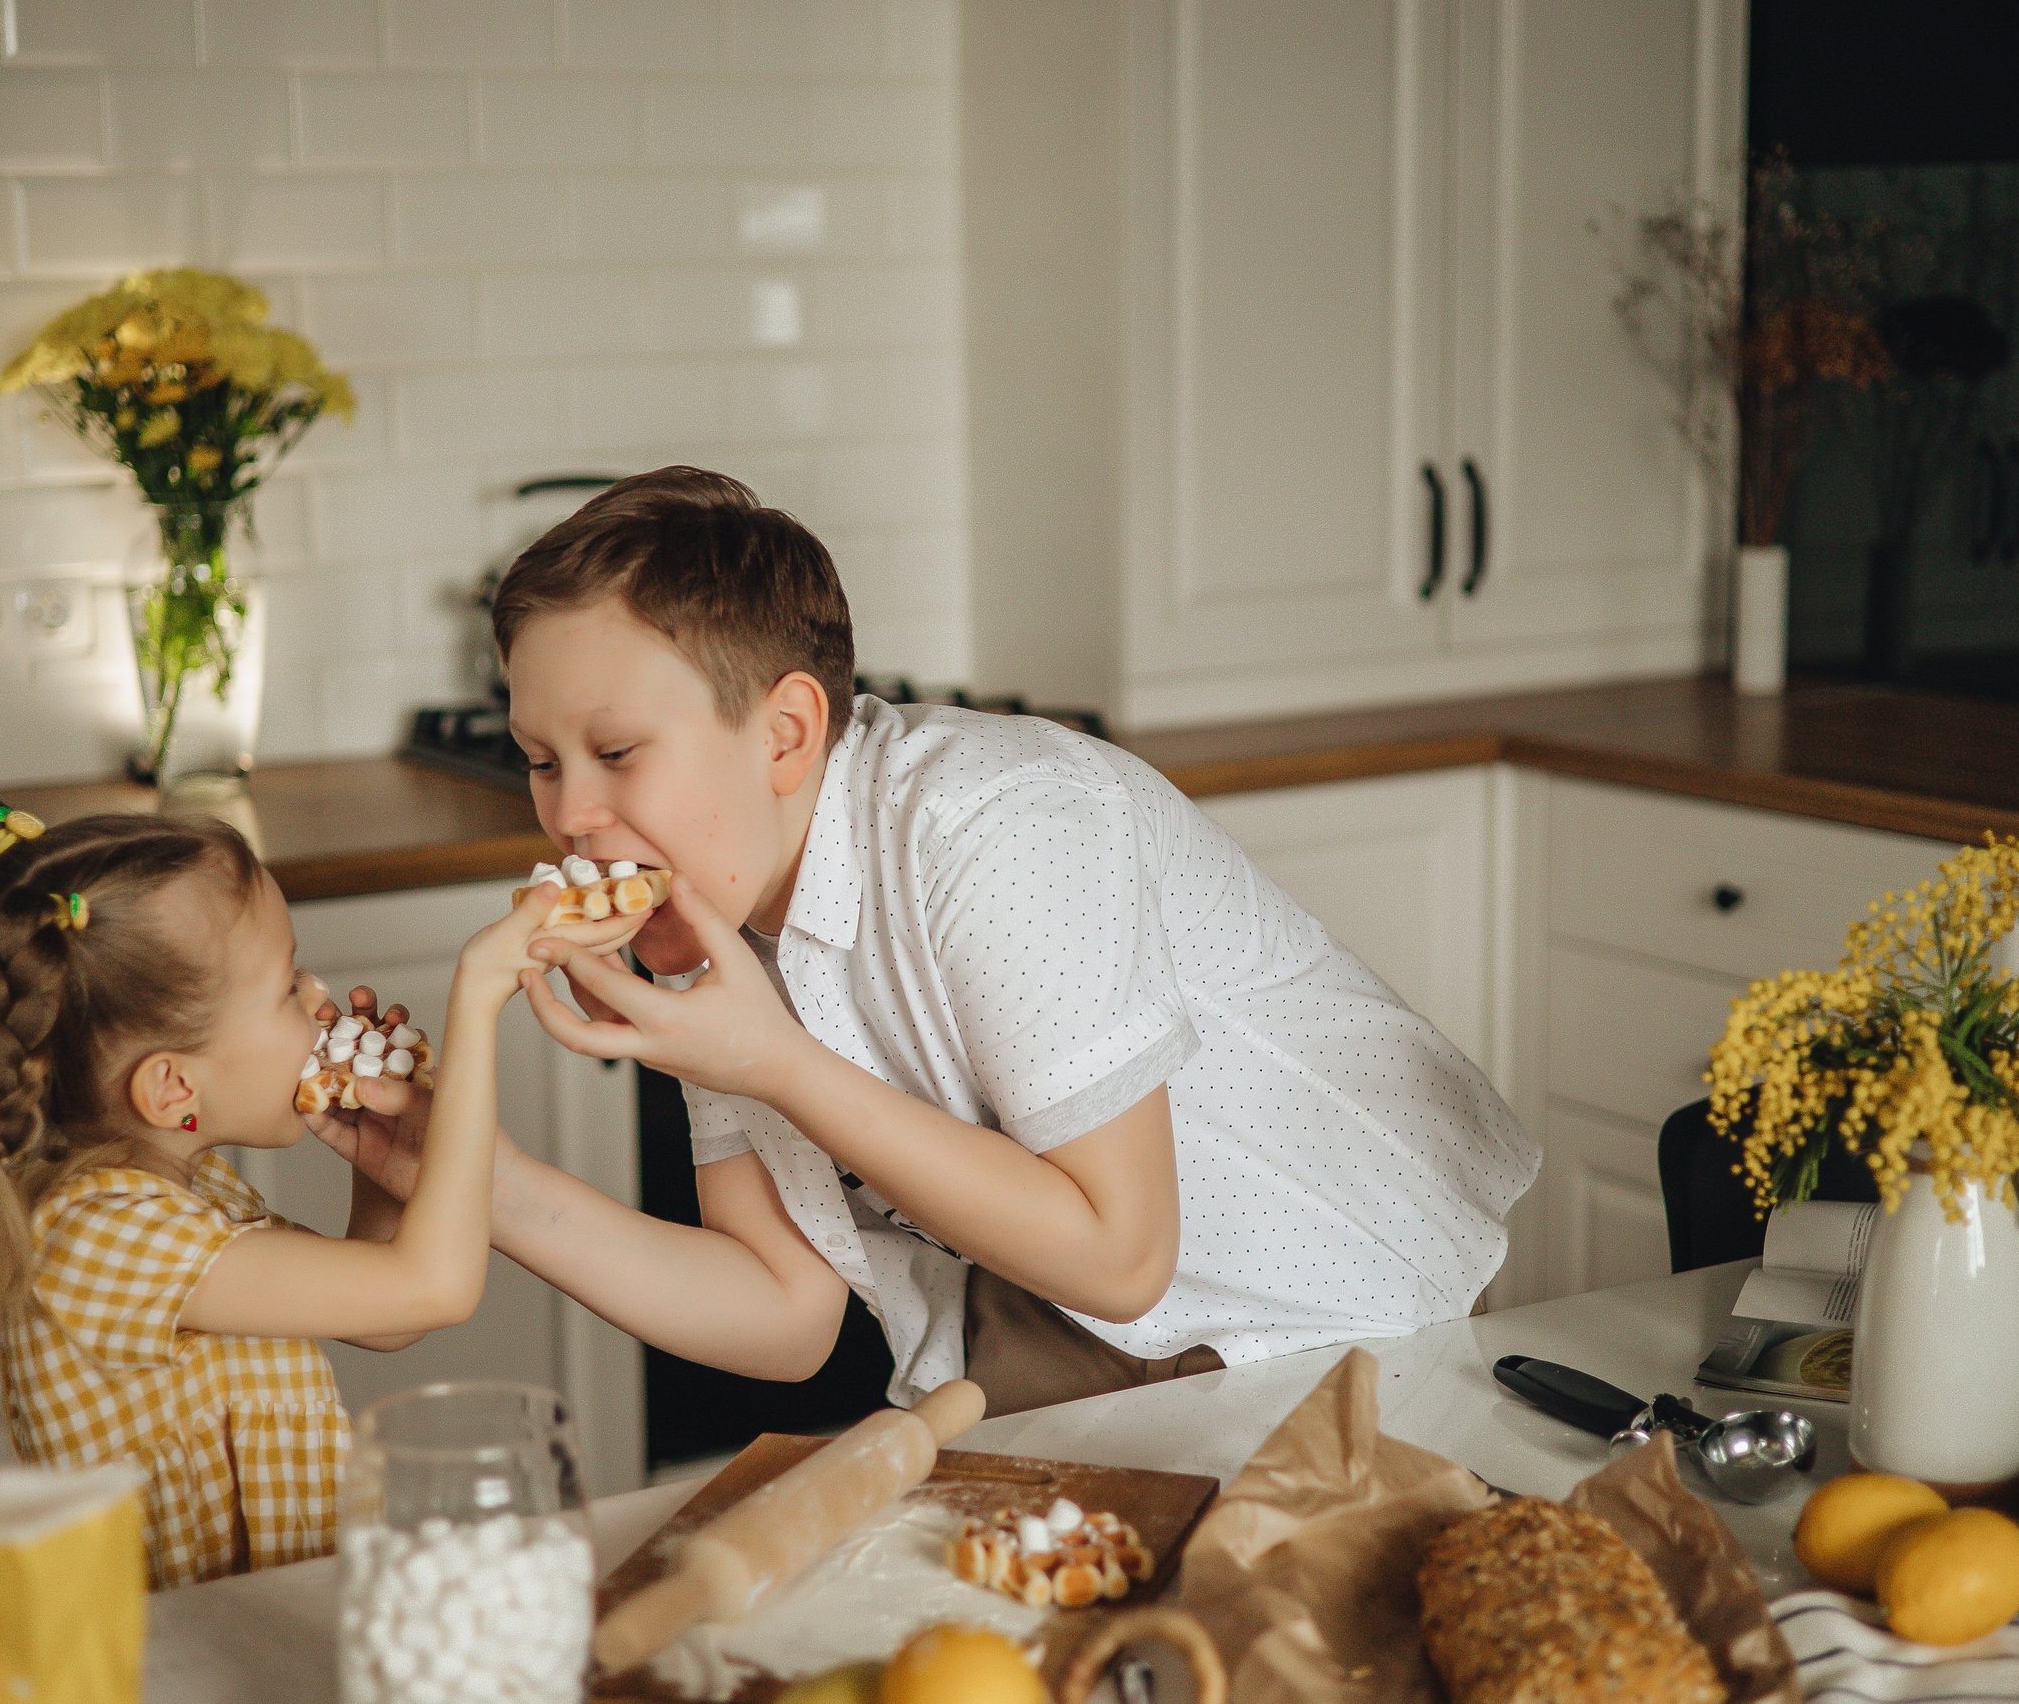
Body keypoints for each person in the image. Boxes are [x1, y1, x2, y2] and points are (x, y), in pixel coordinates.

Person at [319, 467, 1541, 1416]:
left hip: (1340, 1309)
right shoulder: (706, 930)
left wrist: (771, 1063)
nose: (571, 816)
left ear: (786, 734)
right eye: (540, 762)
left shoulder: (991, 826)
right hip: (1054, 1321)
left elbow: (1122, 1256)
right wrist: (474, 1175)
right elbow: (785, 1312)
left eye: (617, 753)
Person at [0, 796, 547, 1587]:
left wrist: (380, 1161)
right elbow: (435, 1288)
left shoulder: (180, 1187)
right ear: (174, 1087)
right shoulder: (99, 1236)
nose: (320, 997)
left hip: (276, 1627)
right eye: (286, 986)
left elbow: (387, 1314)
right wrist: (477, 1009)